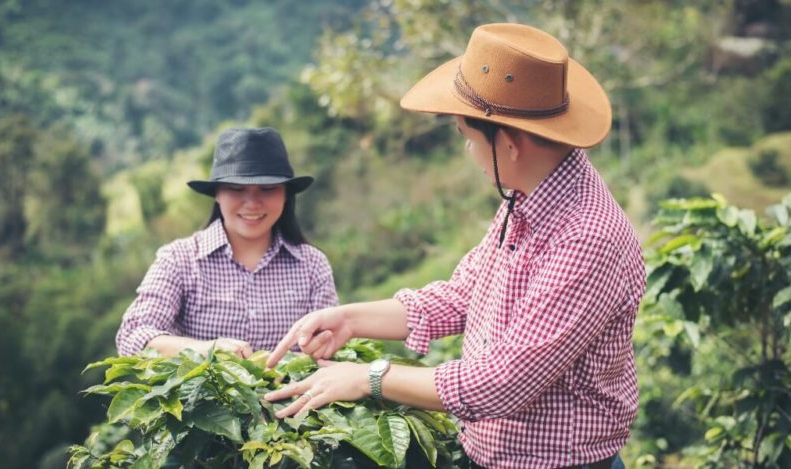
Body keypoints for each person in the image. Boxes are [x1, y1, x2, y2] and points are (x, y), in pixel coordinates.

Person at [264, 23, 645, 469]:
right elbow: (464, 294)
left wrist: (371, 377)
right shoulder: (528, 197)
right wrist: (349, 318)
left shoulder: (586, 239)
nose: (468, 151)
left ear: (509, 143)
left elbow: (502, 383)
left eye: (468, 136)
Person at [116, 127, 338, 358]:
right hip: (202, 395)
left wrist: (321, 346)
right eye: (236, 189)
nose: (252, 203)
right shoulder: (180, 260)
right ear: (217, 194)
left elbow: (333, 341)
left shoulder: (312, 264)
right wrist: (207, 349)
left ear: (285, 195)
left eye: (268, 189)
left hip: (296, 394)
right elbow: (132, 336)